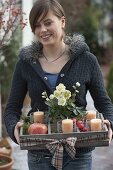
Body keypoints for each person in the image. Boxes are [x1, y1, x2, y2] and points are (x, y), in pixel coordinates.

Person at [4, 0, 113, 170]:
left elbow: (104, 103)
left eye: (48, 23)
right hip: (39, 154)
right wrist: (14, 129)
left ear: (62, 21)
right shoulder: (26, 63)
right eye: (37, 25)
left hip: (78, 155)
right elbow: (12, 107)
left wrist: (110, 123)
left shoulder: (86, 60)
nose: (43, 30)